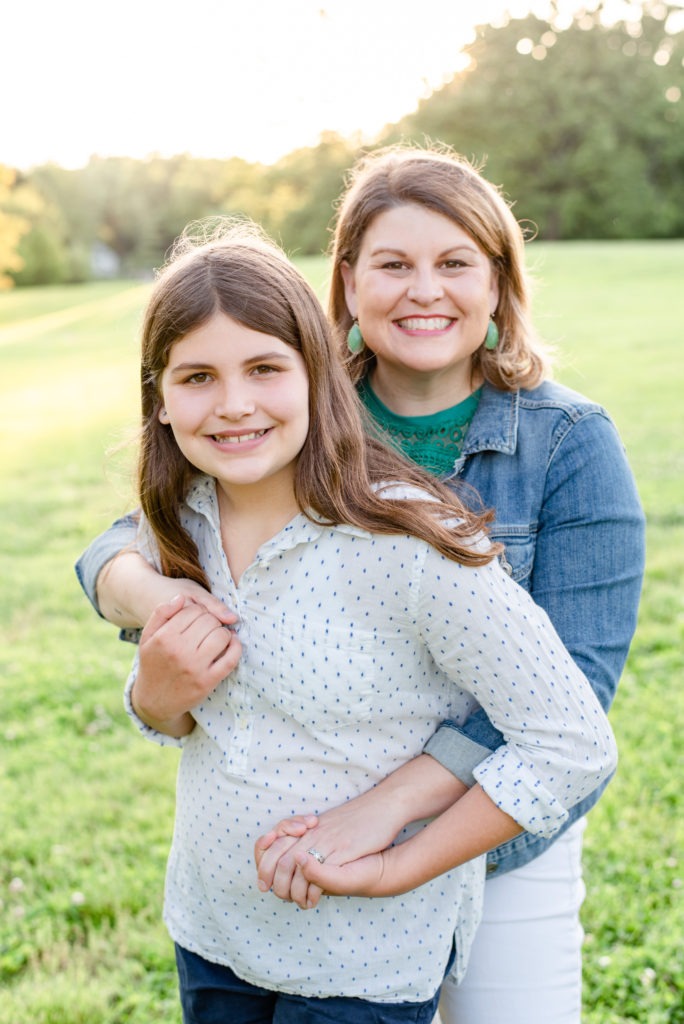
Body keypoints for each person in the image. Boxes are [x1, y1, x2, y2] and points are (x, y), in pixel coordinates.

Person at [75, 147, 644, 1023]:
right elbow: (143, 533)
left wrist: (386, 822)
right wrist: (155, 612)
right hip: (269, 890)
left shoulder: (564, 445)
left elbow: (568, 702)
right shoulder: (286, 409)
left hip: (498, 832)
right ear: (344, 283)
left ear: (498, 284)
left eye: (455, 263)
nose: (424, 290)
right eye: (393, 264)